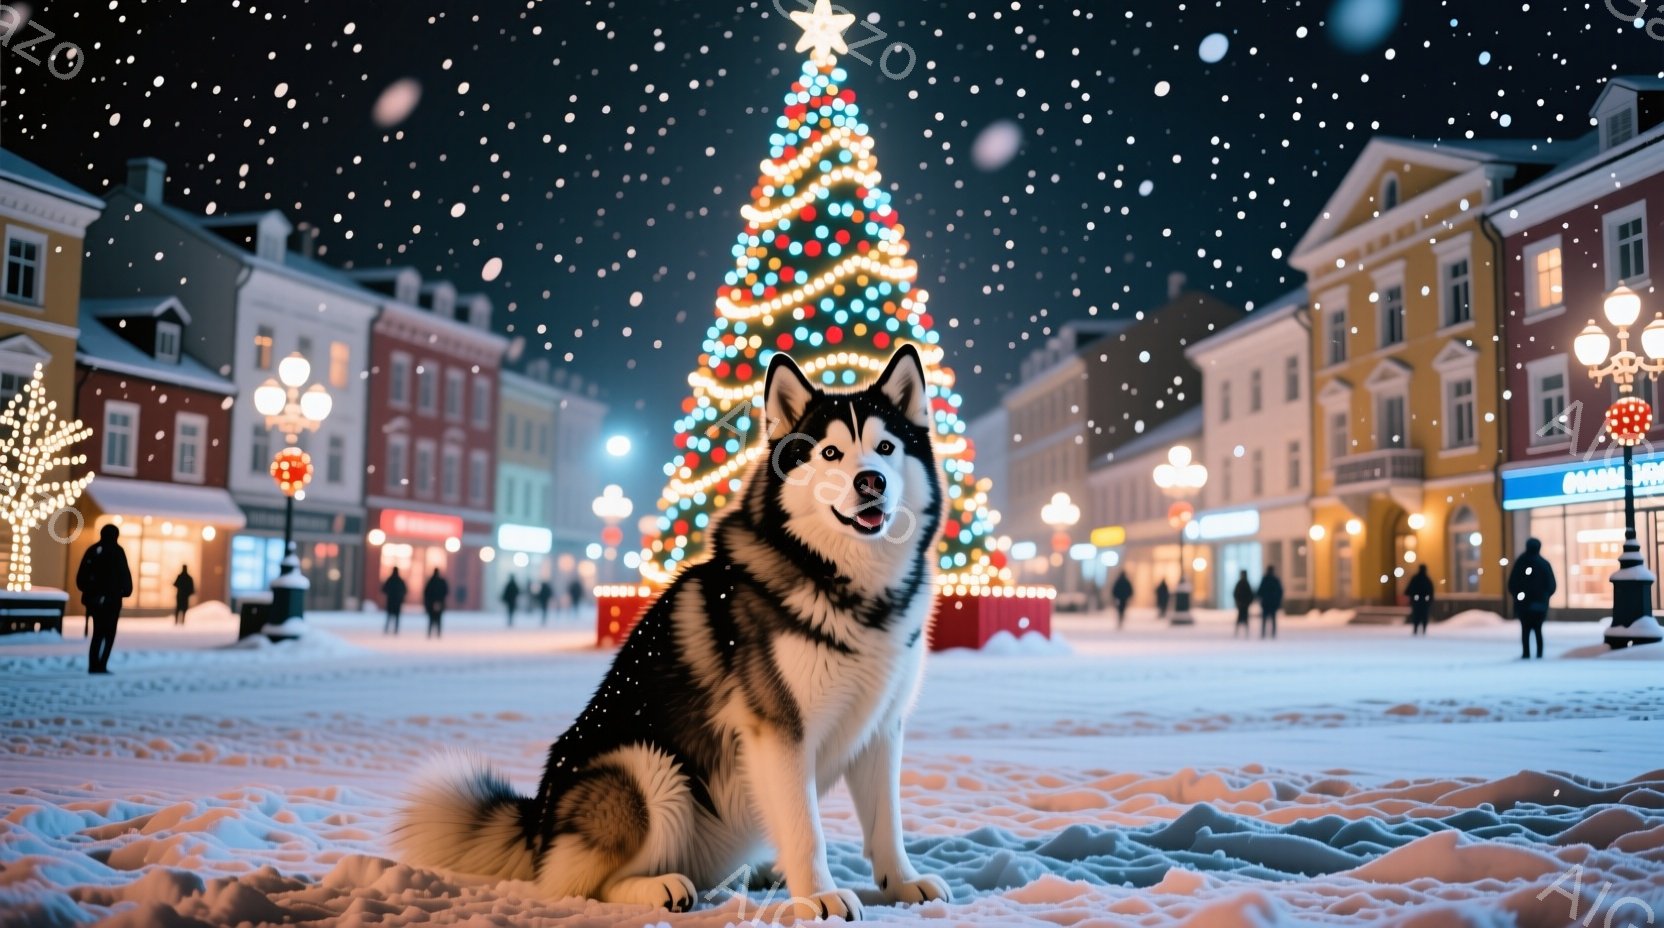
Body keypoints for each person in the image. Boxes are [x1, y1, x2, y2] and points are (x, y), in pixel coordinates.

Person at [76, 524, 133, 675]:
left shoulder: (93, 551)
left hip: (95, 601)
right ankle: (101, 664)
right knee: (109, 634)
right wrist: (125, 591)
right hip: (113, 601)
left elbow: (81, 579)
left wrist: (91, 592)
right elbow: (124, 575)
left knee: (97, 633)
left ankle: (93, 665)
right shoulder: (117, 551)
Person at [1508, 537, 1557, 659]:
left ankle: (1526, 653)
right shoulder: (1544, 564)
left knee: (1526, 630)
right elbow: (1551, 585)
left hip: (1524, 604)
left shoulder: (1521, 562)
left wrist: (1518, 596)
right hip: (1539, 604)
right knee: (1537, 630)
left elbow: (1512, 583)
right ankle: (1539, 654)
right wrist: (1545, 596)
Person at [1405, 564, 1435, 636]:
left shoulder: (1416, 578)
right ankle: (1422, 629)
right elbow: (1431, 591)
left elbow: (1409, 589)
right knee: (1423, 615)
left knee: (1417, 615)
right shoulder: (1427, 579)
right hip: (1423, 601)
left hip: (1417, 600)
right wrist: (1430, 599)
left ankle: (1416, 629)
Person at [1257, 565, 1284, 639]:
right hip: (1272, 603)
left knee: (1265, 619)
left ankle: (1264, 633)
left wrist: (1259, 598)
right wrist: (1278, 601)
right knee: (1273, 619)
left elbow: (1260, 591)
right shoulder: (1275, 580)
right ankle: (1273, 633)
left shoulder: (1265, 579)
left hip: (1266, 603)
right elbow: (1280, 592)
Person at [423, 568, 449, 639]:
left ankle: (430, 633)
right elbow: (446, 591)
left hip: (432, 603)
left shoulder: (430, 581)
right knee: (438, 619)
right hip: (439, 603)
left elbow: (426, 593)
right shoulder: (441, 582)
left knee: (431, 619)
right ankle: (438, 633)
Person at [382, 567, 408, 635]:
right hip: (397, 601)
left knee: (389, 616)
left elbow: (384, 589)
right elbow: (405, 590)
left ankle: (387, 629)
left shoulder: (390, 580)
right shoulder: (400, 580)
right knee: (396, 617)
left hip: (391, 601)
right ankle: (395, 629)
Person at [1233, 569, 1256, 638]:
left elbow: (1236, 593)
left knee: (1242, 619)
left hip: (1243, 604)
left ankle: (1241, 633)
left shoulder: (1242, 583)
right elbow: (1236, 594)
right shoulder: (1244, 583)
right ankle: (1240, 633)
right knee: (1242, 619)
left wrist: (1239, 601)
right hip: (1243, 604)